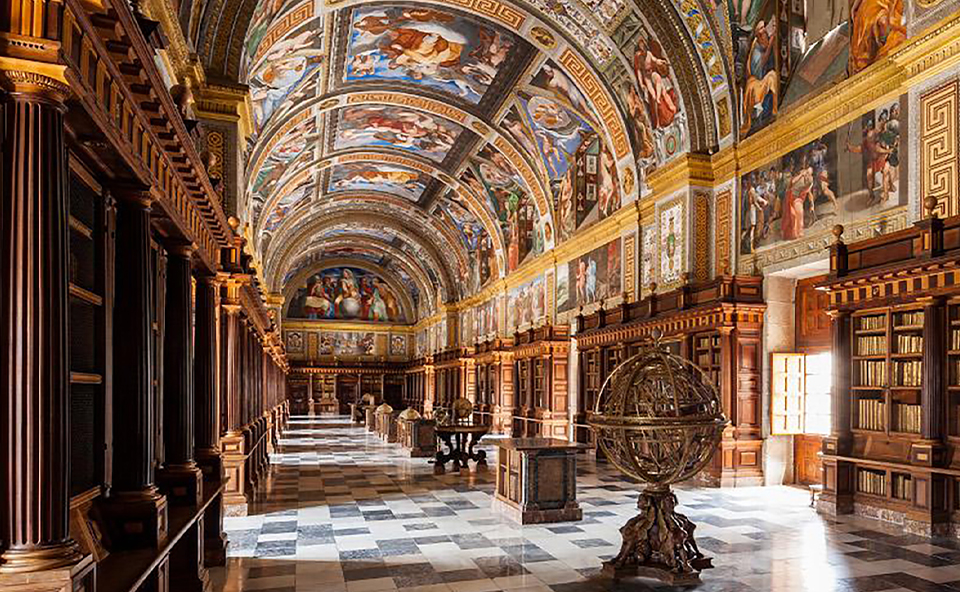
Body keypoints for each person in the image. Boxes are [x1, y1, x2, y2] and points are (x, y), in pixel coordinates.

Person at [740, 20, 779, 135]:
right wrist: (771, 41)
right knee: (772, 76)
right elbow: (761, 64)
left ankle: (774, 109)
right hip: (755, 83)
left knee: (773, 76)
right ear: (757, 33)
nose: (764, 30)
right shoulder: (756, 47)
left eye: (764, 27)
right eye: (761, 28)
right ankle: (772, 111)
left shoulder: (764, 41)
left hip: (762, 80)